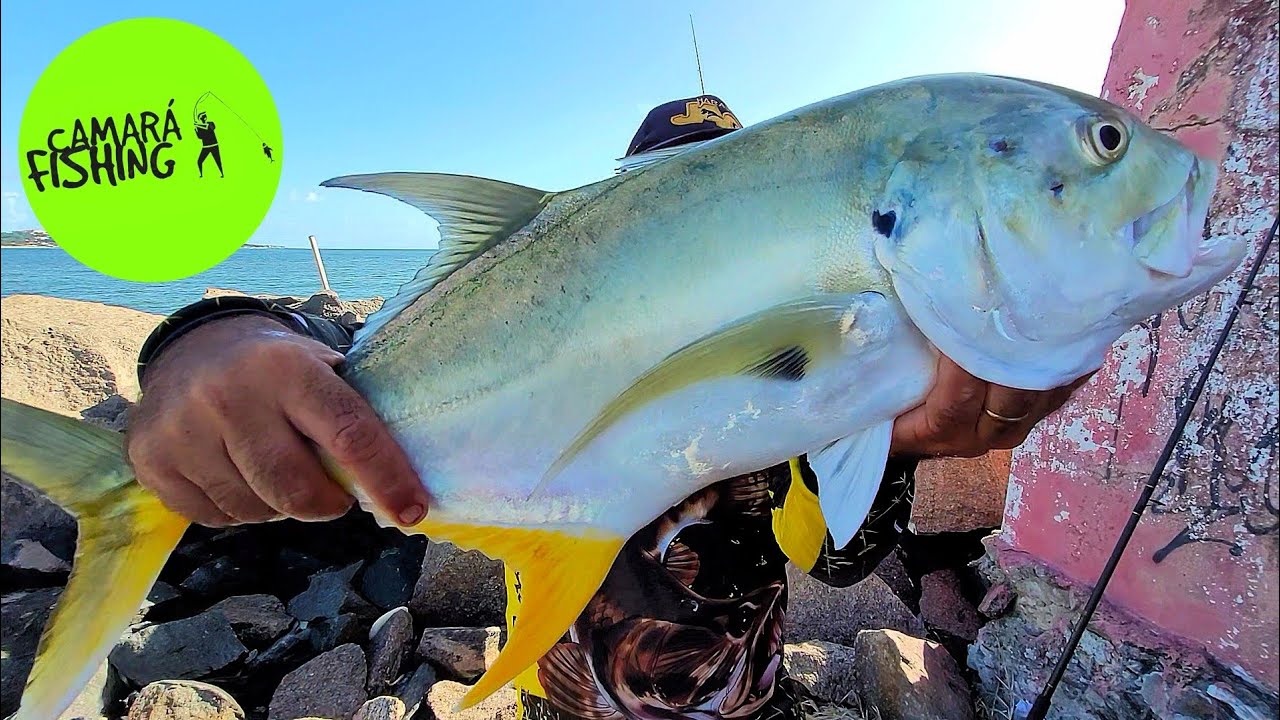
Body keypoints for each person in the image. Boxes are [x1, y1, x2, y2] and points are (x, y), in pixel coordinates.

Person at [127, 94, 1091, 719]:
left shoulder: (816, 349)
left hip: (735, 698)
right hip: (563, 688)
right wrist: (214, 336)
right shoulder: (552, 296)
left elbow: (835, 558)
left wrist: (909, 447)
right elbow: (346, 358)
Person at [195, 112, 224, 178]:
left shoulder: (210, 123)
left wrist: (198, 125)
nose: (204, 117)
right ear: (200, 118)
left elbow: (211, 127)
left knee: (218, 161)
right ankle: (201, 175)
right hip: (206, 147)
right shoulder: (199, 126)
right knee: (199, 161)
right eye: (202, 116)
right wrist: (196, 130)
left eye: (205, 116)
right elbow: (200, 137)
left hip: (214, 145)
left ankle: (222, 174)